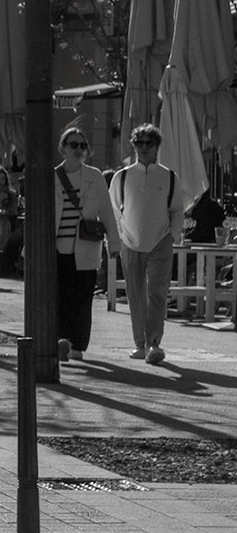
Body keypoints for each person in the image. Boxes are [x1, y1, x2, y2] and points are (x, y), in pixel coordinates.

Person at [109, 123, 185, 364]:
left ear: (156, 146)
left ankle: (154, 343)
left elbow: (177, 210)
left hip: (161, 239)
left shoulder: (169, 176)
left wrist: (172, 235)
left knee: (157, 293)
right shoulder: (122, 176)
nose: (143, 148)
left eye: (148, 143)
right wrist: (120, 235)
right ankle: (139, 344)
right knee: (135, 293)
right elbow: (114, 208)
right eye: (138, 143)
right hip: (129, 240)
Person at [52, 126, 121, 363]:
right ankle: (62, 340)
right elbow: (39, 215)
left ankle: (77, 344)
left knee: (82, 299)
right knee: (61, 297)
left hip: (86, 248)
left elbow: (107, 212)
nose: (79, 150)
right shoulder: (52, 177)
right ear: (63, 148)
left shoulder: (95, 176)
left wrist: (114, 243)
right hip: (58, 249)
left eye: (83, 146)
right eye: (74, 145)